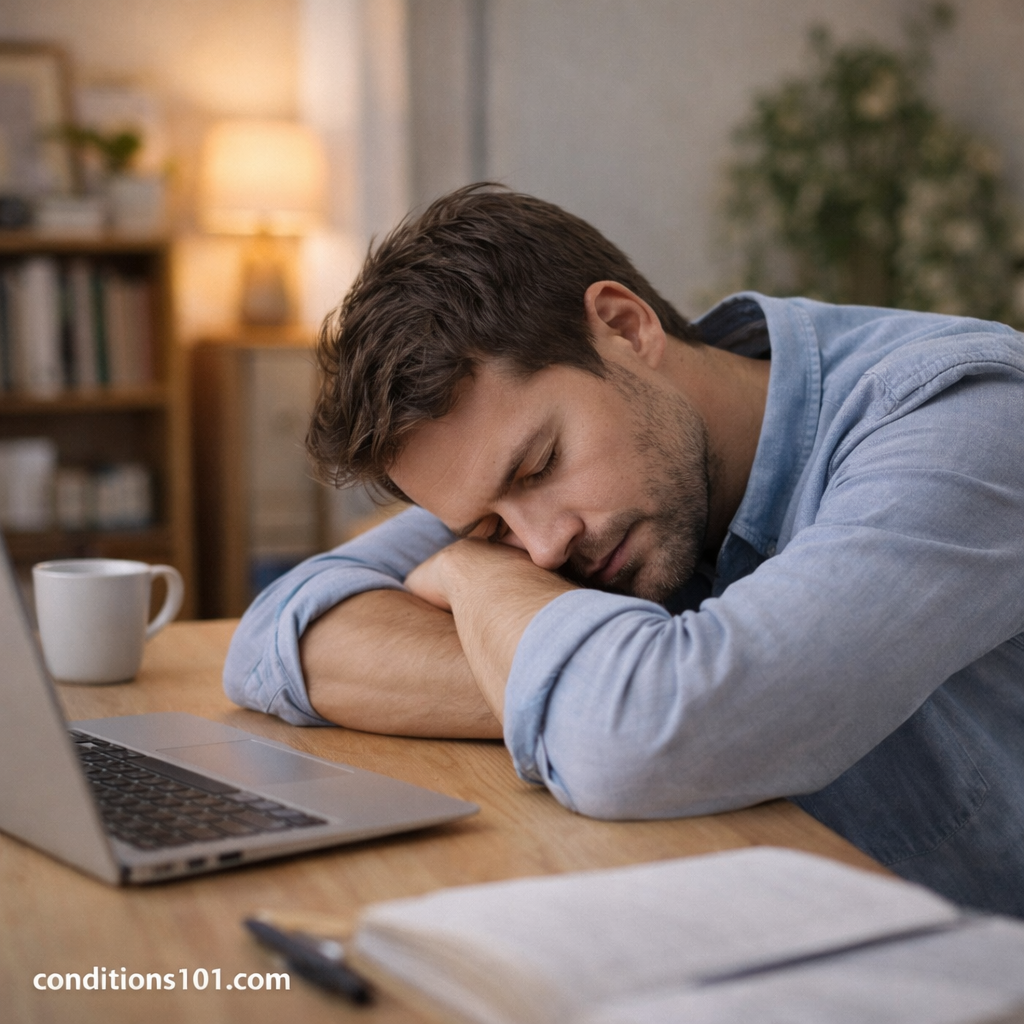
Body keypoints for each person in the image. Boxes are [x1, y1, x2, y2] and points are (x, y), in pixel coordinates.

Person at [224, 184, 1024, 915]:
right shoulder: (545, 479)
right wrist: (602, 681)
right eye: (489, 529)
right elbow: (277, 635)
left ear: (623, 327)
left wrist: (472, 578)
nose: (539, 549)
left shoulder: (964, 417)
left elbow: (639, 740)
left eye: (540, 466)